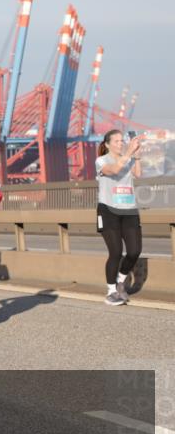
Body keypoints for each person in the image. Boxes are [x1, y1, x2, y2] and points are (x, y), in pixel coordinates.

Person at [95, 130, 143, 305]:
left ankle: (120, 281)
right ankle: (111, 292)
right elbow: (114, 169)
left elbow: (138, 174)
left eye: (122, 140)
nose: (120, 143)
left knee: (134, 251)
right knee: (115, 252)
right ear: (107, 144)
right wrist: (129, 153)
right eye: (116, 141)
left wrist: (136, 156)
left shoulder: (128, 159)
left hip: (129, 210)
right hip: (108, 210)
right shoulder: (101, 161)